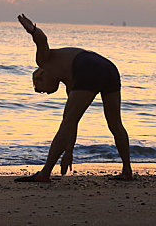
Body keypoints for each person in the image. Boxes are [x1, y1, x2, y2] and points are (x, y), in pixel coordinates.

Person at [15, 14, 133, 182]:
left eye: (41, 90)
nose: (46, 93)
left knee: (69, 121)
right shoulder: (71, 83)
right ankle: (127, 171)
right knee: (114, 123)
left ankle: (45, 173)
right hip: (109, 68)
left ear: (40, 76)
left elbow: (42, 40)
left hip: (88, 66)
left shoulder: (43, 61)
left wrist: (32, 30)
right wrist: (69, 152)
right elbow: (72, 125)